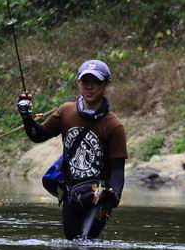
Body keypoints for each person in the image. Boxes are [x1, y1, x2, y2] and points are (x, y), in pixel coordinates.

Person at [18, 59, 127, 240]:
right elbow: (38, 135)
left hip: (99, 197)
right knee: (72, 247)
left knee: (84, 245)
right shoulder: (66, 112)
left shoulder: (114, 125)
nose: (89, 87)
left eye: (96, 82)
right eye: (85, 82)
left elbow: (117, 170)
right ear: (78, 83)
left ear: (107, 83)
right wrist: (26, 116)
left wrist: (113, 196)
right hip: (70, 193)